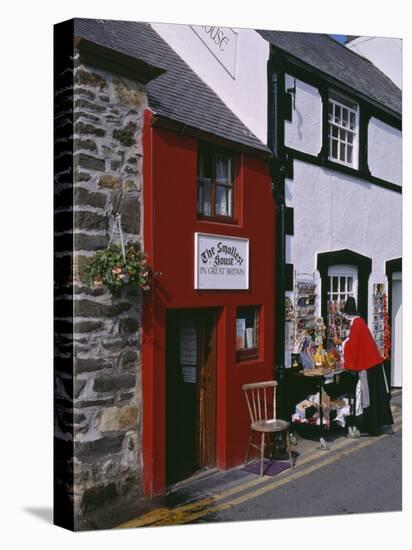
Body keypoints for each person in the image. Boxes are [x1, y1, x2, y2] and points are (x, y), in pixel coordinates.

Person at [333, 296, 393, 436]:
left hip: (369, 367)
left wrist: (339, 342)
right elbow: (353, 340)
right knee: (375, 395)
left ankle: (371, 425)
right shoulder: (359, 322)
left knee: (368, 396)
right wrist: (344, 341)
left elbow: (352, 345)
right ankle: (376, 424)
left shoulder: (356, 324)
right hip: (373, 364)